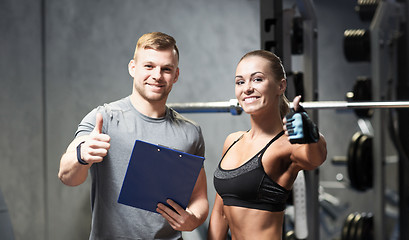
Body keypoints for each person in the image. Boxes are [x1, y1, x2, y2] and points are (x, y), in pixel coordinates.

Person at [58, 32, 209, 240]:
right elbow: (67, 177)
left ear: (176, 75)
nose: (157, 75)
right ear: (133, 68)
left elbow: (199, 197)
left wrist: (193, 219)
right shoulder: (104, 118)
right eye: (149, 66)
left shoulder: (190, 132)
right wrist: (81, 154)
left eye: (166, 69)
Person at [207, 50, 327, 240]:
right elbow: (221, 213)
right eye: (240, 82)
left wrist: (312, 135)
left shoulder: (287, 145)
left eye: (257, 79)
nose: (246, 88)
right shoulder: (232, 141)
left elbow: (315, 158)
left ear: (281, 85)